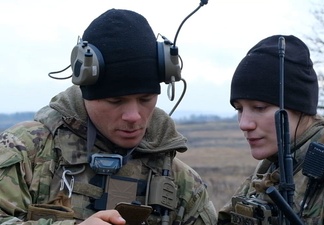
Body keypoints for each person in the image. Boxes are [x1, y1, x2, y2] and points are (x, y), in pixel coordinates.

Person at [0, 9, 217, 225]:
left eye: (145, 98)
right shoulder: (24, 152)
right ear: (87, 95)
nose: (133, 116)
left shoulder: (181, 181)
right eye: (115, 101)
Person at [217, 35, 324, 225]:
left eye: (259, 108)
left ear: (299, 108)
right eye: (239, 109)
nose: (244, 123)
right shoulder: (268, 172)